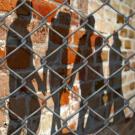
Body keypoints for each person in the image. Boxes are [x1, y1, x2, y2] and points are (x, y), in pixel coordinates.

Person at [6, 1, 43, 134]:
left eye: (29, 14)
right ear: (17, 12)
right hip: (18, 81)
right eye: (24, 14)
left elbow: (29, 62)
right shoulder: (14, 30)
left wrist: (39, 81)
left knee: (32, 115)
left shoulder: (25, 33)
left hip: (25, 80)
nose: (27, 18)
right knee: (17, 121)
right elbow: (11, 60)